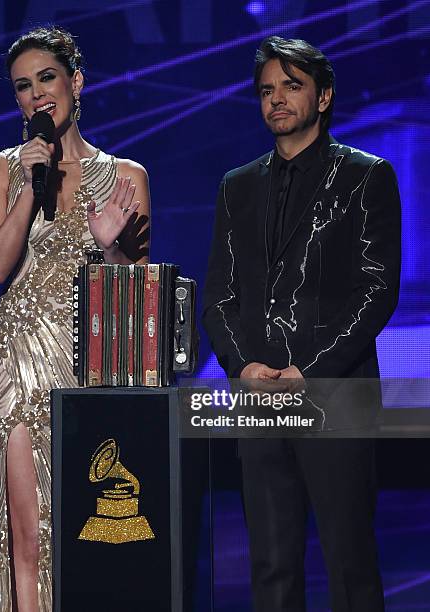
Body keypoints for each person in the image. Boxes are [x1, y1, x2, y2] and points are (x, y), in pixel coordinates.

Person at [203, 36, 401, 611]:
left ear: (324, 96)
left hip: (336, 394)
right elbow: (218, 293)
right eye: (267, 90)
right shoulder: (236, 186)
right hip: (258, 397)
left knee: (350, 564)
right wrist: (242, 365)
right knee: (271, 567)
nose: (277, 100)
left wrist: (308, 372)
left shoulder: (366, 175)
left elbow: (378, 289)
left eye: (291, 86)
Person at [0, 26, 150, 611]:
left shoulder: (126, 178)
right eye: (23, 86)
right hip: (18, 368)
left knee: (84, 534)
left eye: (46, 78)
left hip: (90, 374)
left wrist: (110, 247)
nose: (36, 95)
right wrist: (31, 182)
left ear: (76, 81)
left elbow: (134, 301)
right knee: (31, 533)